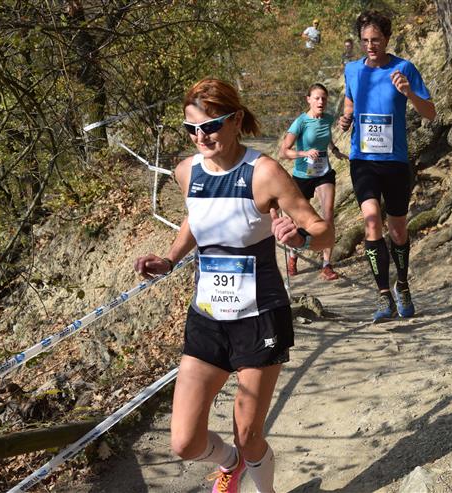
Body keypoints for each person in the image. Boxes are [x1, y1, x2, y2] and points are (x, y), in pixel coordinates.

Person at [134, 78, 333, 493]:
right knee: (184, 442)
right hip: (207, 317)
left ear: (236, 119)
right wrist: (170, 258)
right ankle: (231, 464)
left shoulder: (264, 173)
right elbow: (196, 218)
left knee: (249, 435)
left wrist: (299, 238)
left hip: (259, 318)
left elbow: (323, 231)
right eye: (191, 128)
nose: (200, 136)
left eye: (210, 126)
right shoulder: (187, 172)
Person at [339, 10, 436, 323]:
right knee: (371, 222)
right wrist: (347, 117)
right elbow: (350, 101)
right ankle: (383, 295)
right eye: (365, 40)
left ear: (387, 38)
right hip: (363, 160)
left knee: (397, 229)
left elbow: (431, 113)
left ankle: (402, 285)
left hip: (394, 162)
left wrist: (408, 92)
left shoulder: (403, 68)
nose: (370, 45)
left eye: (376, 40)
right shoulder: (352, 70)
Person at [279, 83, 348, 281]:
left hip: (323, 172)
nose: (321, 102)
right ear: (308, 99)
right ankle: (293, 256)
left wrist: (334, 150)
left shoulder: (327, 119)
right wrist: (304, 153)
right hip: (303, 176)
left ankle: (327, 264)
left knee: (328, 216)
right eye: (317, 98)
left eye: (324, 98)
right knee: (298, 220)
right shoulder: (301, 122)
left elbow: (325, 138)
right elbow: (284, 151)